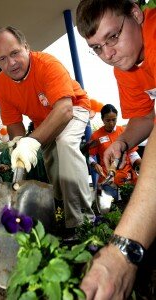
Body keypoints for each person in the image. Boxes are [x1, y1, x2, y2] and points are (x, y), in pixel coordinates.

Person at [76, 0, 156, 298]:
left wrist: (126, 248)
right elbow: (145, 117)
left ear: (136, 14)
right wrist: (123, 141)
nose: (108, 54)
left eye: (113, 37)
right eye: (97, 48)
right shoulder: (126, 68)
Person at [0, 26, 94, 239]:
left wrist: (32, 141)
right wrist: (19, 144)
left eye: (15, 53)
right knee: (51, 165)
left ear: (26, 47)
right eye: (2, 59)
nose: (11, 63)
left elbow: (64, 110)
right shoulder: (0, 85)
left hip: (73, 107)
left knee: (64, 144)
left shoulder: (47, 64)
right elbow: (15, 125)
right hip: (43, 122)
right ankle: (61, 216)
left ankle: (83, 222)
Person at [88, 104, 141, 199]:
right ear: (102, 119)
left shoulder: (124, 132)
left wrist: (141, 165)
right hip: (107, 180)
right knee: (110, 209)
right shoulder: (96, 136)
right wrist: (94, 164)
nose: (111, 123)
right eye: (108, 120)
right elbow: (90, 156)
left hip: (128, 178)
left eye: (114, 120)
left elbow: (133, 154)